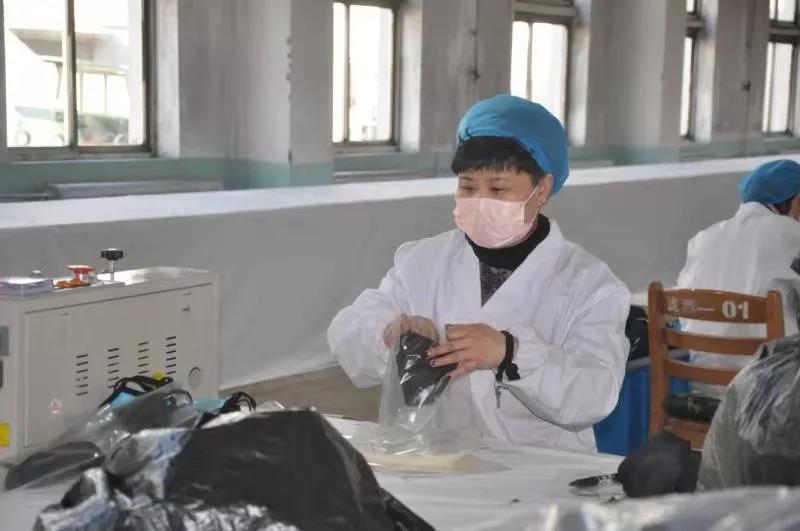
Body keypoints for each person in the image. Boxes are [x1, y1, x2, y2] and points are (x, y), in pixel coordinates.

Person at [327, 95, 630, 452]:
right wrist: (387, 334)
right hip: (437, 460)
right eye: (468, 187)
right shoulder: (422, 261)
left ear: (542, 189)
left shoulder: (590, 284)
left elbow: (595, 395)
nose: (479, 200)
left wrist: (511, 353)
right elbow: (346, 332)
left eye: (498, 188)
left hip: (542, 470)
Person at [676, 159, 800, 398]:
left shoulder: (702, 239)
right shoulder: (791, 233)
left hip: (704, 387)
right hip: (770, 396)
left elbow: (681, 311)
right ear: (796, 201)